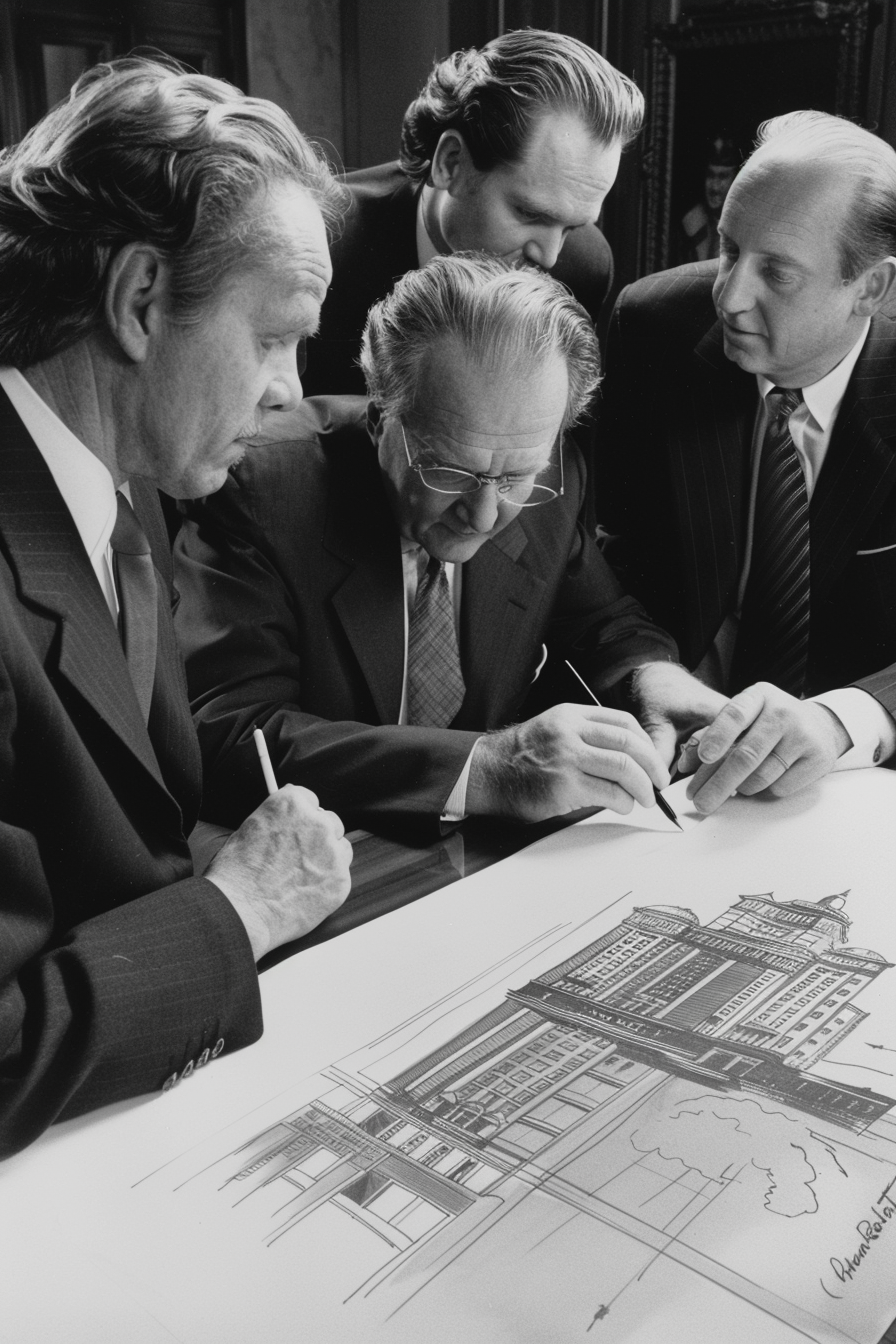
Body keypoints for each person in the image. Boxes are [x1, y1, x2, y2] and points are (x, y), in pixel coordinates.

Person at [0, 57, 354, 1159]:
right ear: (141, 300)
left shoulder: (129, 479)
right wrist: (237, 912)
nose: (294, 389)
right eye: (273, 336)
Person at [174, 254, 728, 835]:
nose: (485, 515)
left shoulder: (550, 479)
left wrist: (652, 679)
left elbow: (606, 625)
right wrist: (486, 770)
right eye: (451, 471)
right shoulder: (260, 486)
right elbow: (228, 734)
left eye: (515, 478)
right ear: (380, 418)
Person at [598, 110, 896, 816]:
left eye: (777, 274)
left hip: (848, 790)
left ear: (870, 289)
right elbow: (594, 557)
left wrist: (842, 720)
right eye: (730, 250)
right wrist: (647, 672)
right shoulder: (652, 328)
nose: (728, 296)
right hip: (666, 763)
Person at [300, 30, 643, 399]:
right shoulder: (320, 241)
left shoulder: (585, 268)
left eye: (573, 226)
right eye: (530, 214)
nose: (550, 257)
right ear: (452, 163)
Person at [676, 133, 739, 264]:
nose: (714, 187)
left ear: (736, 180)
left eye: (722, 177)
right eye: (710, 175)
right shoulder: (691, 222)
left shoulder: (746, 227)